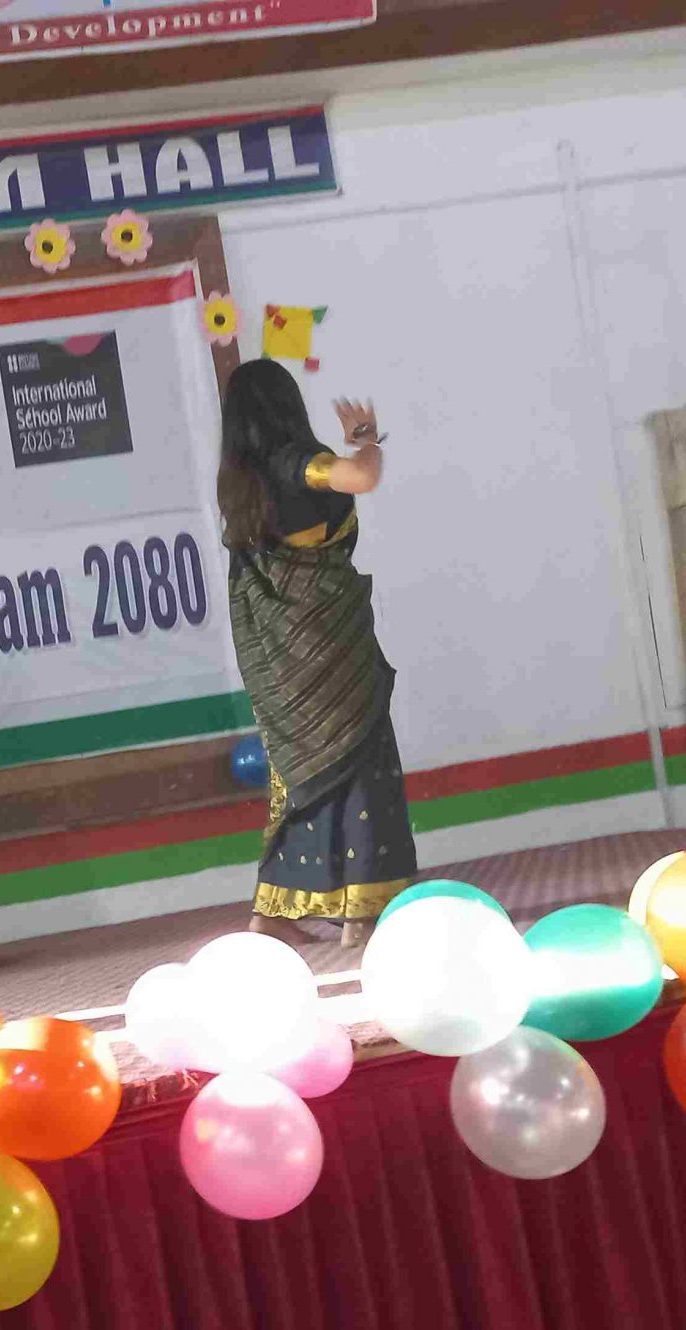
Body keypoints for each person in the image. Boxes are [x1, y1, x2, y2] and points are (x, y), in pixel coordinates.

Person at [217, 359, 416, 950]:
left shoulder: (238, 482)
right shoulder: (296, 462)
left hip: (282, 659)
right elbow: (360, 478)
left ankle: (273, 913)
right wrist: (367, 441)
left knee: (300, 777)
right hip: (330, 649)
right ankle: (362, 914)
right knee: (358, 764)